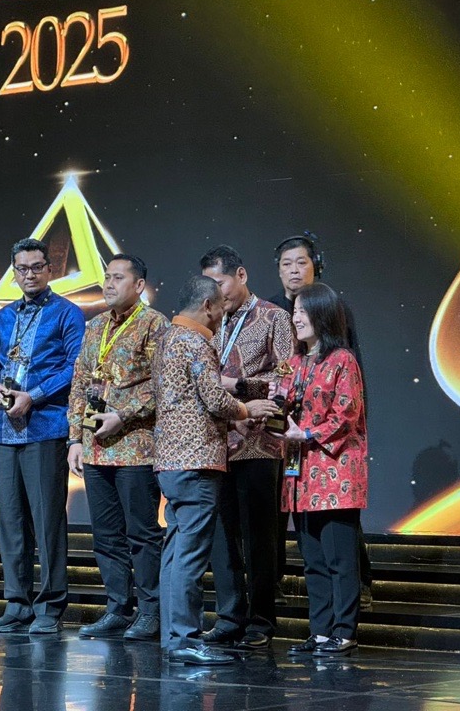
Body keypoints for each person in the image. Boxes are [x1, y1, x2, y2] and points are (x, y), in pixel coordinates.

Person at [152, 275, 279, 666]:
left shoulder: (166, 338)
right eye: (221, 309)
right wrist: (245, 409)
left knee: (175, 550)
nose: (223, 316)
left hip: (169, 461)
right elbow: (214, 398)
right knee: (190, 555)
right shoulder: (196, 342)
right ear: (207, 305)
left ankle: (173, 637)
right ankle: (185, 639)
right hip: (197, 461)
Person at [0, 238, 85, 634]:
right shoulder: (4, 317)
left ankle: (50, 606)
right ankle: (17, 604)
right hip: (7, 430)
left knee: (47, 522)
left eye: (37, 267)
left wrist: (35, 395)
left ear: (49, 270)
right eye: (22, 269)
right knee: (10, 521)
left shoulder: (67, 313)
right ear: (14, 272)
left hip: (46, 427)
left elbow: (76, 367)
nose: (29, 274)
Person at [67, 254, 169, 641]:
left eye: (118, 278)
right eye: (106, 277)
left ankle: (151, 611)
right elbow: (80, 383)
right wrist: (75, 438)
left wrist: (122, 415)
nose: (109, 284)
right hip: (96, 448)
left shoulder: (154, 324)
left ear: (139, 285)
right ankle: (117, 608)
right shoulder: (94, 326)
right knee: (106, 534)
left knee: (142, 533)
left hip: (136, 447)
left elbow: (161, 384)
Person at [270, 233, 374, 610]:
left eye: (301, 262)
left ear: (316, 266)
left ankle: (352, 602)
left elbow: (348, 394)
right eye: (286, 264)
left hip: (330, 451)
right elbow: (279, 380)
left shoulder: (334, 325)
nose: (294, 270)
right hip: (293, 452)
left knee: (338, 538)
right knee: (305, 544)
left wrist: (324, 429)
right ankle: (312, 617)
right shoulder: (274, 315)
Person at [198, 245, 293, 650]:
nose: (215, 293)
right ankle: (229, 616)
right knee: (222, 536)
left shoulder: (274, 317)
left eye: (219, 283)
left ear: (241, 274)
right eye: (208, 286)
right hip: (216, 442)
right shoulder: (208, 321)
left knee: (259, 537)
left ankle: (261, 619)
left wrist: (237, 385)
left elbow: (287, 378)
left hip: (259, 441)